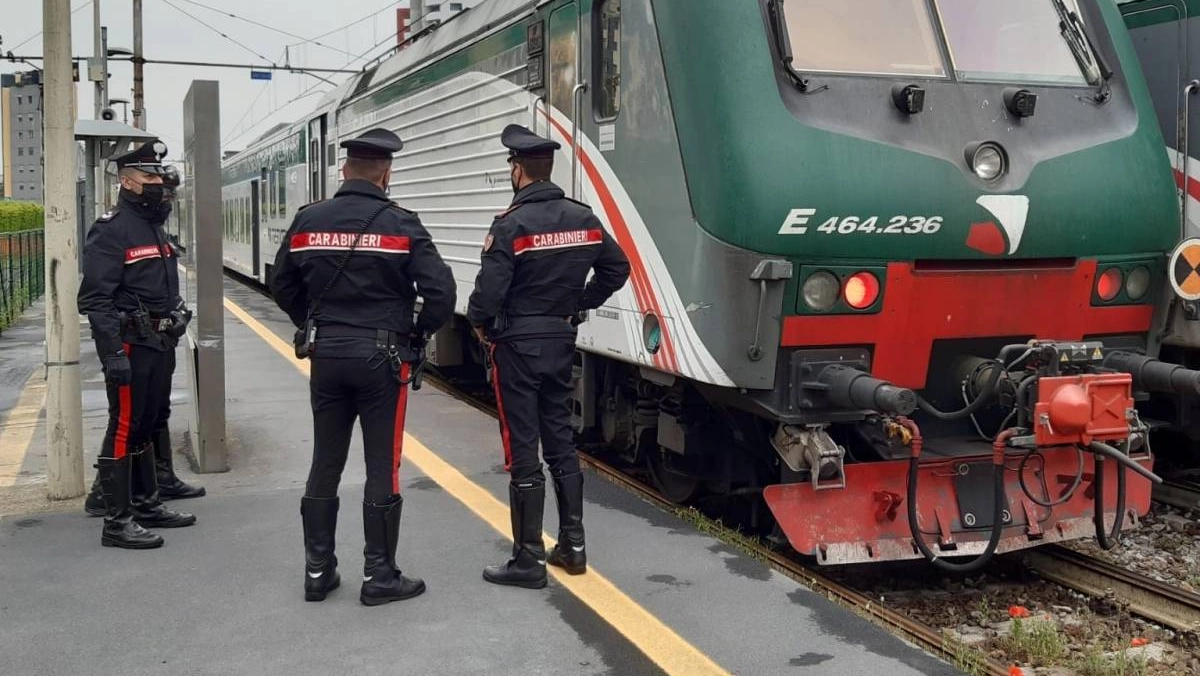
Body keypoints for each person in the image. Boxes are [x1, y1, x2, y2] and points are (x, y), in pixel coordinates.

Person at [270, 128, 456, 605]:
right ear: (386, 173)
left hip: (327, 357)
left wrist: (312, 324)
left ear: (344, 170)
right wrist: (416, 336)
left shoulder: (309, 220)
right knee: (382, 465)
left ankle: (317, 571)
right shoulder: (402, 223)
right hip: (382, 359)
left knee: (325, 461)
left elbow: (282, 282)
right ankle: (379, 576)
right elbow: (441, 293)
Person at [467, 124, 630, 589]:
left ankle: (528, 559)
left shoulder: (510, 225)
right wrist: (580, 301)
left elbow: (488, 295)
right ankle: (573, 547)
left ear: (518, 171)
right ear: (548, 169)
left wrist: (480, 323)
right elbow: (617, 267)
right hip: (561, 342)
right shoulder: (583, 218)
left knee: (522, 447)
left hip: (516, 348)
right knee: (561, 441)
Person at [77, 140, 198, 550]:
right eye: (149, 177)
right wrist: (111, 353)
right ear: (127, 182)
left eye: (159, 176)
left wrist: (176, 315)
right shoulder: (112, 230)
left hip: (158, 342)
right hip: (129, 344)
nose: (159, 183)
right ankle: (117, 521)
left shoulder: (153, 225)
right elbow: (95, 298)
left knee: (148, 422)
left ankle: (147, 504)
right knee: (125, 426)